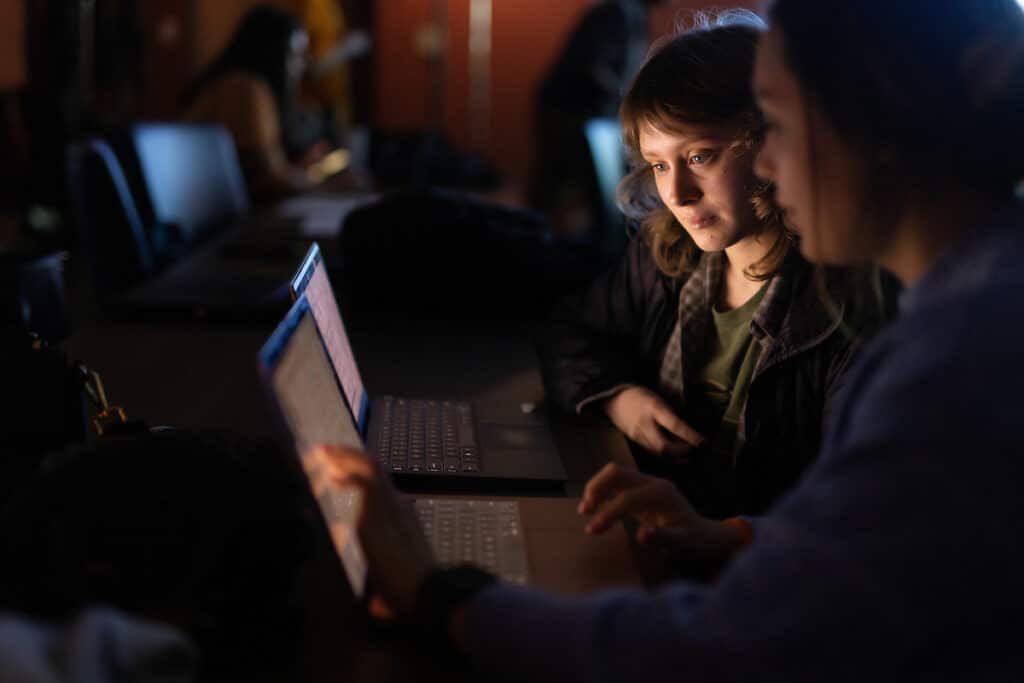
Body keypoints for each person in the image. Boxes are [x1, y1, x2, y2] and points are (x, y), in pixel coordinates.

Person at [321, 0, 1024, 679]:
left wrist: (440, 594)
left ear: (873, 117)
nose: (771, 169)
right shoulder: (972, 307)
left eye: (774, 125)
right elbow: (859, 545)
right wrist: (730, 535)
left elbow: (730, 650)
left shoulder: (953, 366)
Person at [538, 11, 886, 521]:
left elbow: (854, 512)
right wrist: (619, 399)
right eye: (659, 165)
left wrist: (722, 536)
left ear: (771, 143)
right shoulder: (668, 256)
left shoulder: (842, 305)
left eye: (700, 157)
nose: (676, 194)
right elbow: (569, 331)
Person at [182, 5, 357, 202]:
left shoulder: (246, 86)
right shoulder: (244, 88)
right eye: (295, 54)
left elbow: (266, 171)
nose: (301, 66)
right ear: (271, 52)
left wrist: (304, 169)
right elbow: (268, 181)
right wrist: (320, 180)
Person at [528, 0, 666, 238]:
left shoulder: (632, 15)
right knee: (574, 192)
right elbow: (595, 67)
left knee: (567, 191)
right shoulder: (616, 13)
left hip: (589, 115)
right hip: (572, 113)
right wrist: (630, 101)